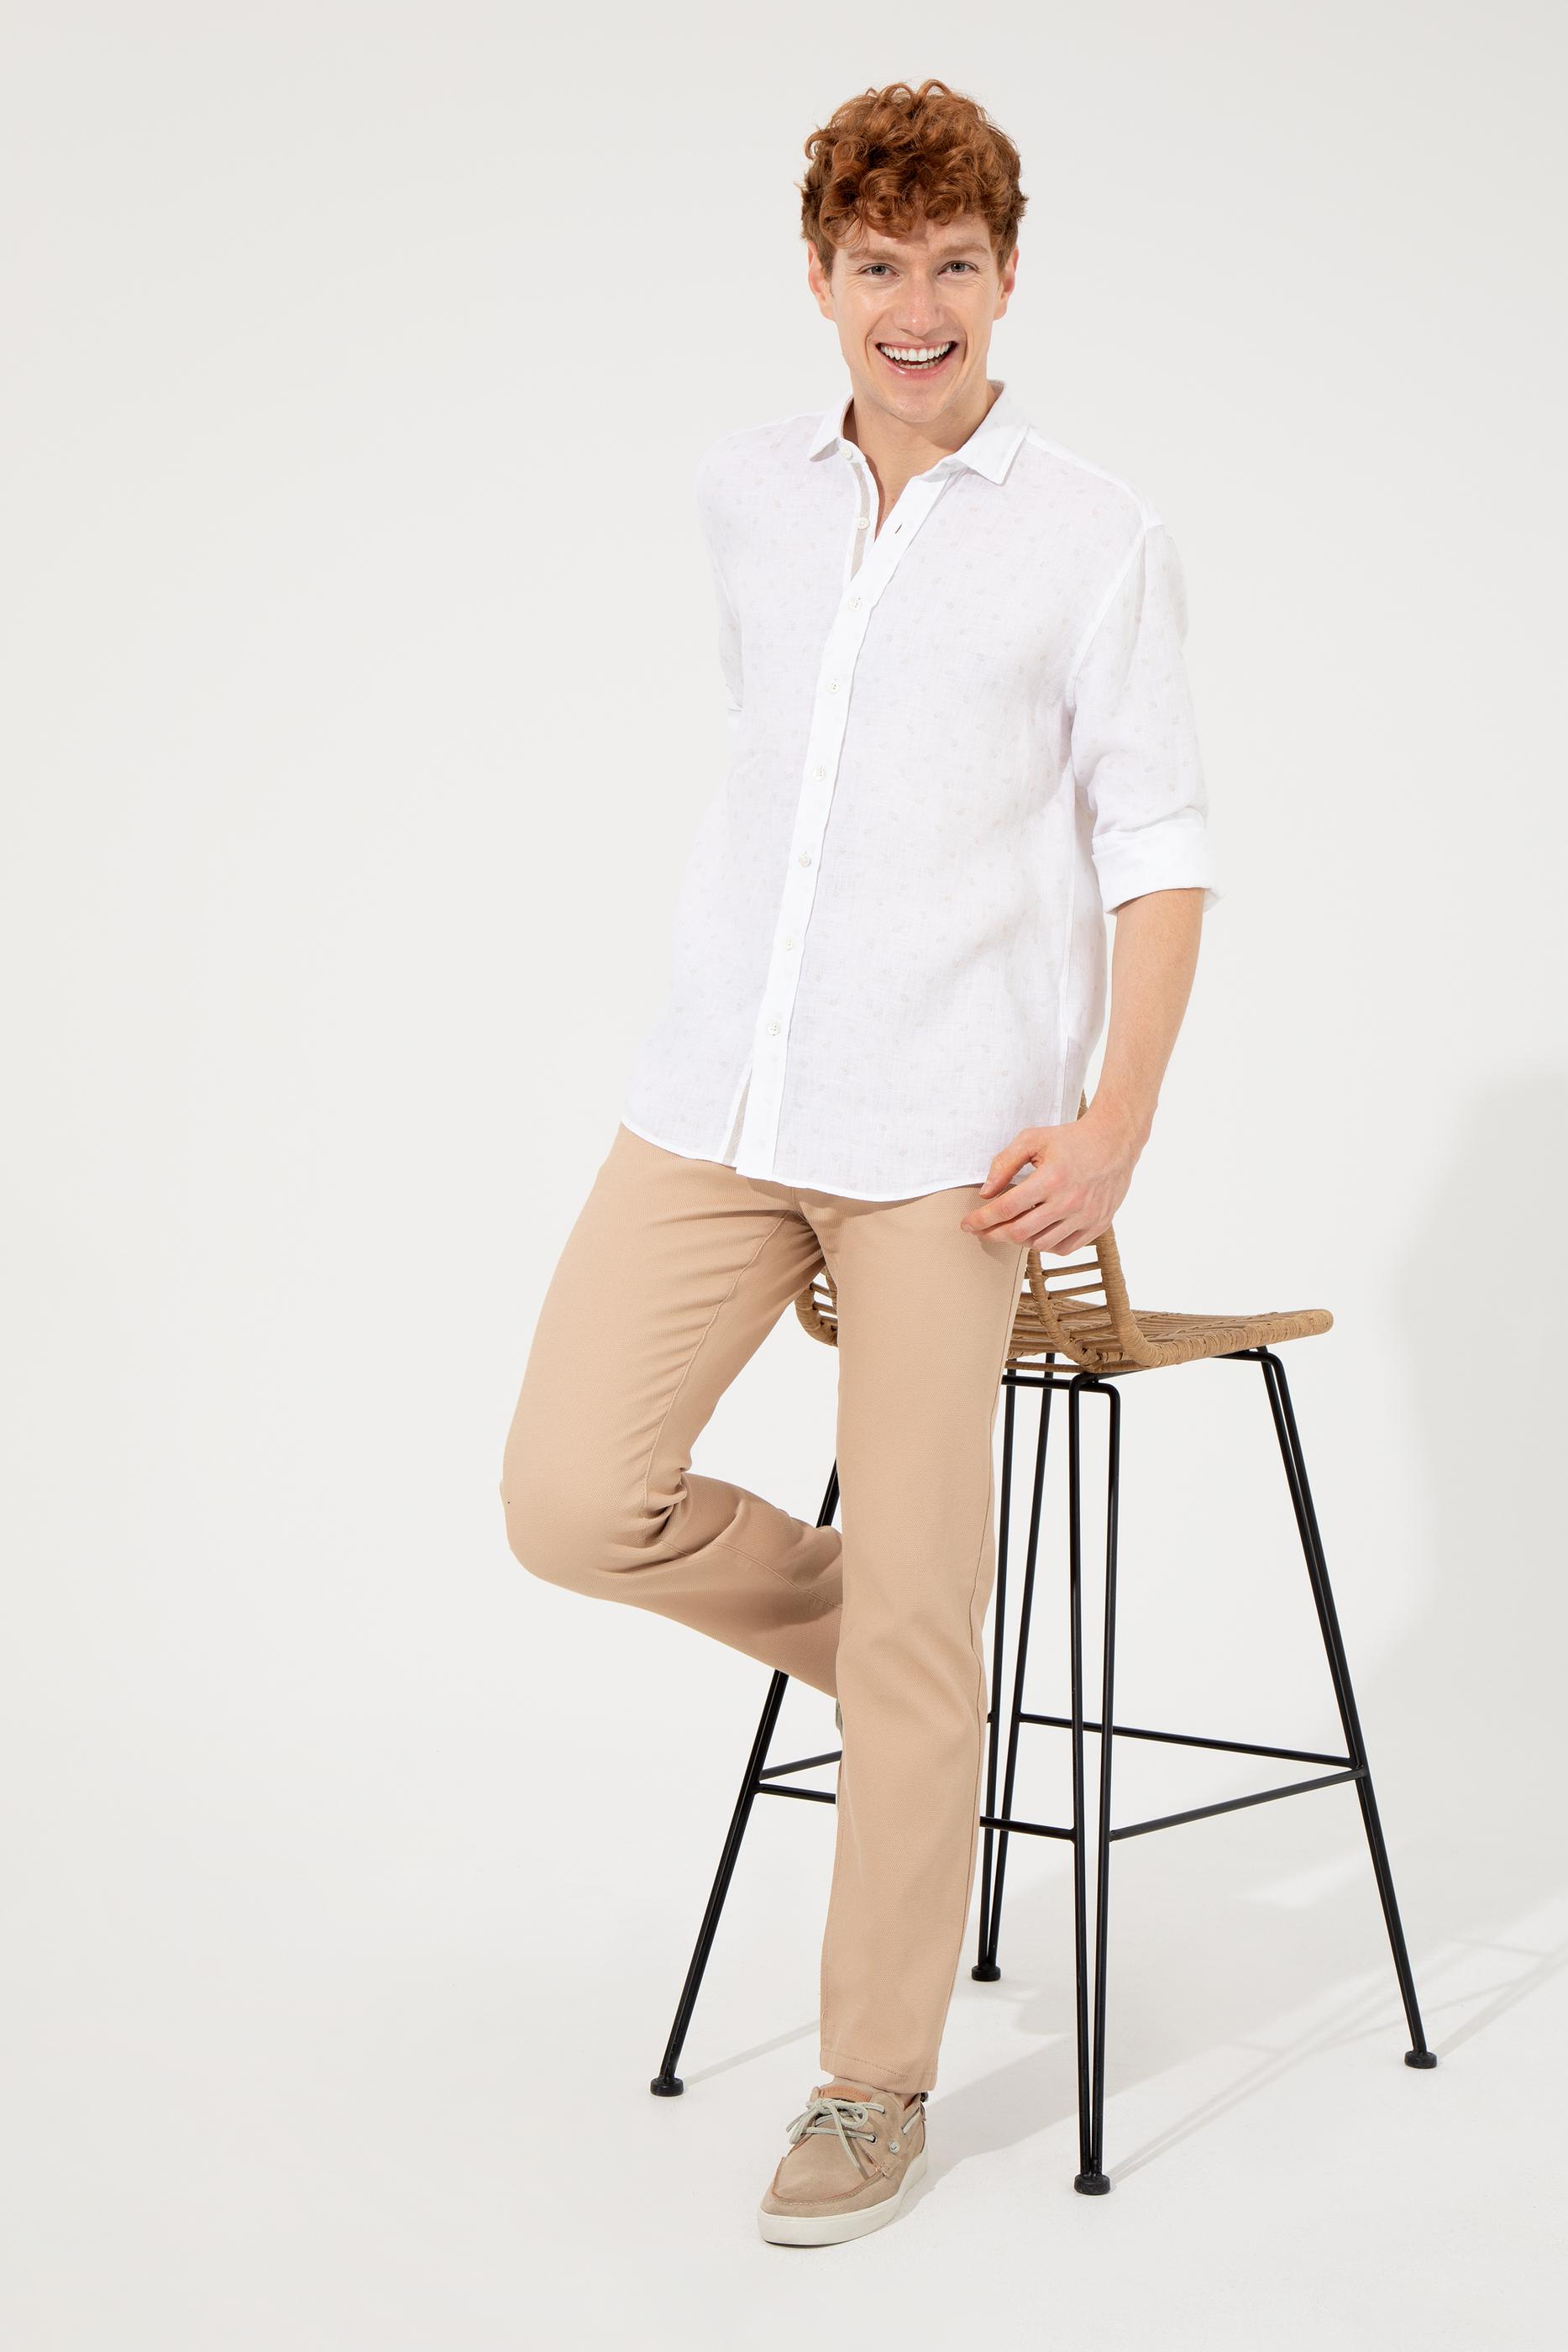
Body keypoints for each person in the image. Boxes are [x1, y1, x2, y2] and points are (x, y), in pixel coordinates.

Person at [499, 76, 1219, 2246]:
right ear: (818, 277)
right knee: (570, 1496)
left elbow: (1157, 848)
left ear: (1007, 279)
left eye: (956, 264)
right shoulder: (746, 495)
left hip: (946, 1152)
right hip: (715, 1101)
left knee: (921, 1609)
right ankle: (911, 1657)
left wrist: (1112, 1125)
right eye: (880, 264)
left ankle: (868, 2086)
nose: (920, 305)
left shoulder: (1092, 535)